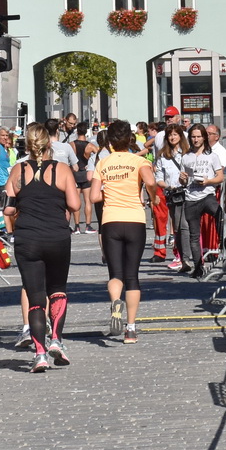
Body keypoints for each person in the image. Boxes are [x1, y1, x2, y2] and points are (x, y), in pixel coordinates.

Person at [4, 124, 80, 371]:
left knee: (35, 296)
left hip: (28, 239)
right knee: (57, 290)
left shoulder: (18, 170)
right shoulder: (63, 170)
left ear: (27, 145)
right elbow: (75, 204)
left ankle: (39, 353)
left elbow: (8, 207)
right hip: (57, 237)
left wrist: (20, 204)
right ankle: (56, 340)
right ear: (50, 145)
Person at [93, 120, 156, 344]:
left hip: (111, 220)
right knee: (132, 276)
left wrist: (108, 190)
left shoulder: (103, 163)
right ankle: (130, 329)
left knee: (115, 274)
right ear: (130, 139)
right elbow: (150, 181)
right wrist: (152, 195)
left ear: (109, 141)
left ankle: (115, 302)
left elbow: (93, 197)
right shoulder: (138, 160)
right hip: (135, 220)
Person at [178, 124, 226, 277]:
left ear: (204, 137)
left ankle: (224, 244)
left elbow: (220, 177)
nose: (196, 139)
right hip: (191, 198)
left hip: (207, 195)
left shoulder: (212, 156)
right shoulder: (185, 157)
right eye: (193, 137)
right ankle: (198, 267)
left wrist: (208, 181)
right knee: (194, 234)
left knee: (220, 215)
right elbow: (183, 181)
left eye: (199, 136)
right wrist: (182, 179)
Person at [155, 124, 190, 271]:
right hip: (173, 195)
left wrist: (187, 180)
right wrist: (169, 187)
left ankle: (189, 258)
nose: (172, 137)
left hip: (188, 194)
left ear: (181, 136)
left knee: (185, 226)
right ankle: (182, 258)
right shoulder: (163, 156)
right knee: (177, 227)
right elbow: (159, 179)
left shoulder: (188, 154)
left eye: (175, 134)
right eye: (170, 135)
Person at [71, 122, 97, 233]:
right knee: (87, 201)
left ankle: (76, 226)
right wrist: (90, 163)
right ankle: (88, 225)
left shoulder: (72, 144)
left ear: (77, 131)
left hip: (75, 173)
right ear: (86, 132)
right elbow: (99, 155)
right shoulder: (90, 145)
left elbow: (70, 158)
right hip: (85, 173)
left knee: (76, 201)